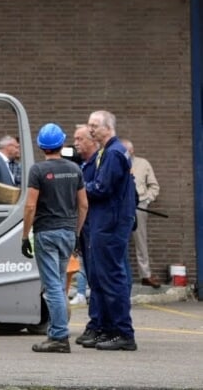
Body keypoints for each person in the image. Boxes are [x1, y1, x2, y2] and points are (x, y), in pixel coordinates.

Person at [21, 123, 87, 353]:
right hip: (68, 233)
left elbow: (30, 206)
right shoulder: (75, 169)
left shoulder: (38, 171)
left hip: (46, 233)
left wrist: (23, 236)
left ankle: (59, 336)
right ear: (62, 143)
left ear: (41, 146)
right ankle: (54, 332)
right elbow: (84, 205)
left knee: (53, 287)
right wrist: (76, 233)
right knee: (58, 283)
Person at [76, 110, 138, 351]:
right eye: (89, 125)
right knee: (103, 278)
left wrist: (79, 188)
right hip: (109, 222)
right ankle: (108, 328)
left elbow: (102, 188)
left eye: (94, 126)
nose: (91, 130)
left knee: (112, 278)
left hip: (110, 223)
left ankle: (123, 332)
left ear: (108, 127)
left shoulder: (113, 154)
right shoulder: (109, 152)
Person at [122, 138, 161, 288]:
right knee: (121, 240)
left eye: (127, 150)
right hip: (122, 207)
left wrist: (147, 200)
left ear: (132, 150)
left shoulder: (143, 164)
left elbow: (154, 186)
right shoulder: (117, 163)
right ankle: (122, 274)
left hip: (139, 206)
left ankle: (145, 274)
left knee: (141, 240)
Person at [69, 123, 98, 305]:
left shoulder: (98, 163)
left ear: (92, 140)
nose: (75, 143)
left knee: (98, 274)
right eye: (75, 139)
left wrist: (77, 188)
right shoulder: (82, 164)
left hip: (95, 225)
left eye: (80, 139)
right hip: (85, 227)